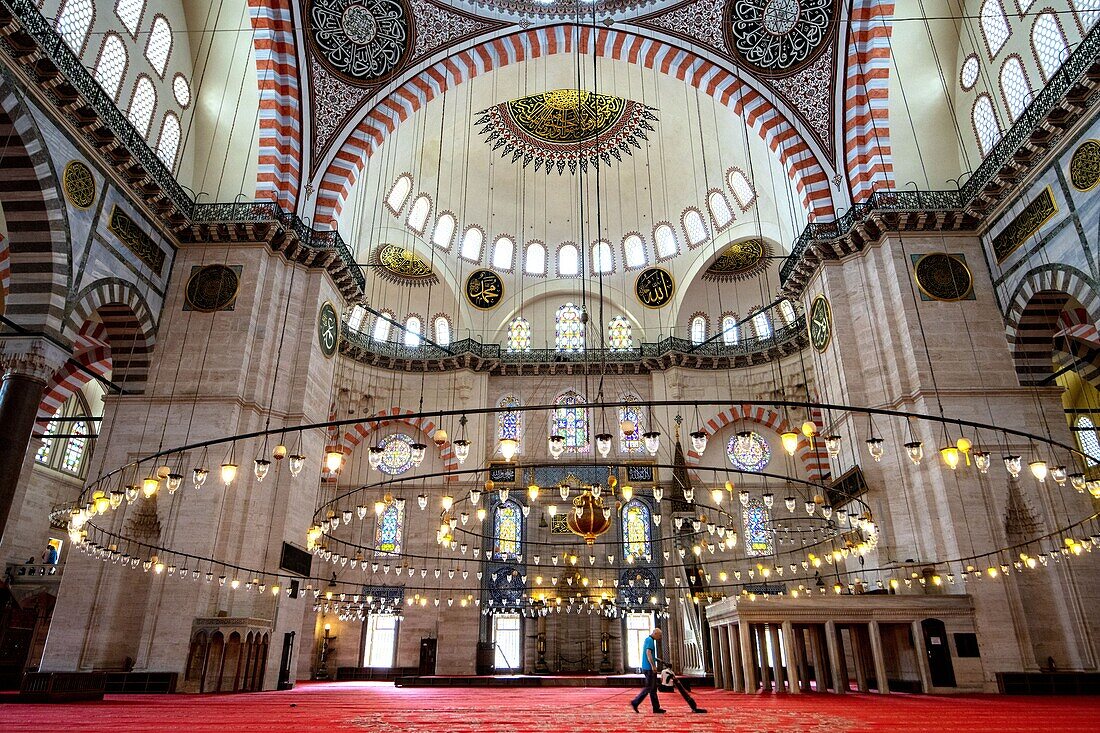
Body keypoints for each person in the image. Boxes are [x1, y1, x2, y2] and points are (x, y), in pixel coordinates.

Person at [630, 627, 665, 714]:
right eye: (659, 635)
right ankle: (635, 702)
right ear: (655, 633)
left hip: (646, 667)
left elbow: (649, 654)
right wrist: (653, 666)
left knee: (653, 689)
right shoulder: (650, 640)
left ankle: (656, 708)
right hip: (649, 668)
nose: (660, 637)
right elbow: (648, 653)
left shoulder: (648, 639)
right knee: (649, 688)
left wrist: (656, 659)